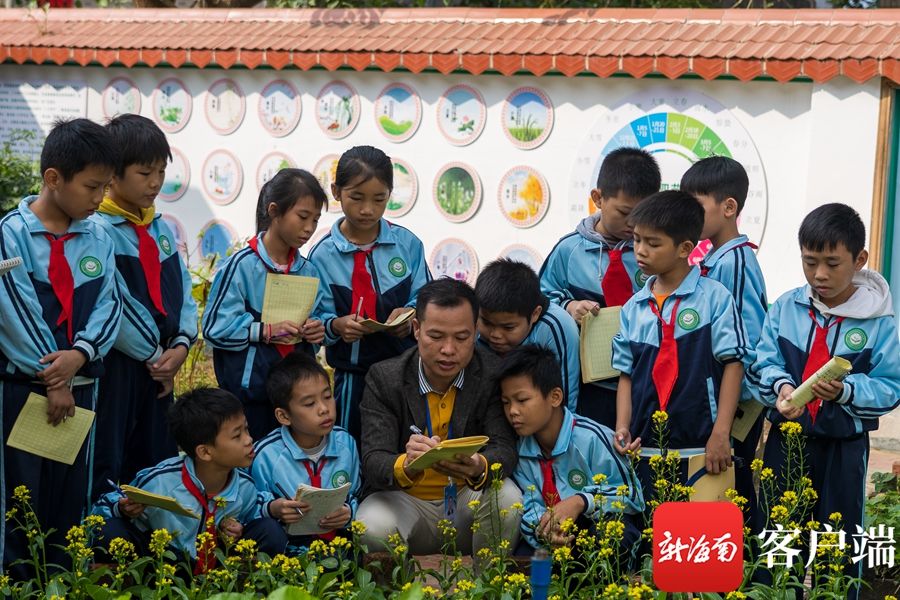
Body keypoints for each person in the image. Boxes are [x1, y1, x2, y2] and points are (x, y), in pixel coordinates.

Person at [752, 203, 900, 600]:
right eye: (809, 261)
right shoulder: (786, 307)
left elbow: (891, 386)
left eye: (833, 263)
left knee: (838, 546)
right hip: (787, 443)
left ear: (860, 260)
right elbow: (763, 361)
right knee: (778, 543)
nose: (819, 275)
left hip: (844, 447)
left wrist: (848, 392)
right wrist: (782, 387)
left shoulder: (878, 321)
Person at [0, 118, 121, 576]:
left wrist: (82, 355)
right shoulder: (10, 234)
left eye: (105, 186)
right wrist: (56, 377)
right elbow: (15, 313)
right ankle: (17, 582)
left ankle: (64, 580)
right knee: (21, 497)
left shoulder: (99, 235)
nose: (99, 198)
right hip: (24, 390)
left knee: (72, 496)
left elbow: (110, 305)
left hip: (83, 388)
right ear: (53, 179)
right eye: (92, 187)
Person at [356, 278, 521, 555]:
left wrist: (479, 465)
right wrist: (405, 464)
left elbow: (504, 448)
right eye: (436, 336)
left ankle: (487, 590)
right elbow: (374, 460)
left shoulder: (492, 373)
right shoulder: (384, 377)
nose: (448, 349)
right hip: (407, 501)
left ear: (475, 331)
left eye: (461, 337)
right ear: (417, 330)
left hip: (467, 496)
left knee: (507, 497)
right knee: (370, 525)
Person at [611, 191, 751, 505]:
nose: (641, 251)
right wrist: (622, 427)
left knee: (698, 544)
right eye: (636, 241)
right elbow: (625, 374)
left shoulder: (715, 298)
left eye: (653, 243)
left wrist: (720, 433)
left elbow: (734, 363)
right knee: (648, 541)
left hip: (701, 448)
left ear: (685, 248)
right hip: (644, 448)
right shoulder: (633, 307)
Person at [91, 114, 198, 500]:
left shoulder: (161, 228)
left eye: (160, 171)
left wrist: (182, 345)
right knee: (111, 454)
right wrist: (157, 356)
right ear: (112, 176)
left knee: (157, 456)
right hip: (121, 366)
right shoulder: (98, 230)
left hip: (162, 366)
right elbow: (114, 307)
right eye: (143, 172)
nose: (155, 182)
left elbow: (184, 291)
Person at [308, 146, 430, 442]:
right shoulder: (322, 256)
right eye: (356, 198)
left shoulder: (407, 244)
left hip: (407, 371)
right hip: (353, 376)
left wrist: (410, 313)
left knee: (406, 448)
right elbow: (314, 320)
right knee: (352, 446)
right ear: (336, 192)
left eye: (379, 199)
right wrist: (336, 326)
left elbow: (427, 298)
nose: (367, 210)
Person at [93, 388, 290, 570]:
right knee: (110, 530)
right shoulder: (160, 481)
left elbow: (254, 513)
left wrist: (239, 529)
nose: (248, 440)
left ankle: (240, 586)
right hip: (164, 563)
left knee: (270, 531)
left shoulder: (244, 485)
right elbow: (102, 509)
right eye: (237, 435)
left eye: (246, 429)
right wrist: (123, 508)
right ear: (205, 452)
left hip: (218, 561)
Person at [539, 148, 661, 427]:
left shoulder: (656, 254)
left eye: (642, 213)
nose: (633, 224)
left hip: (643, 384)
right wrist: (568, 306)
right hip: (587, 386)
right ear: (597, 199)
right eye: (624, 212)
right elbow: (540, 298)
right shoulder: (569, 251)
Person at [203, 169, 326, 440]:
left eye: (316, 220)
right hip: (251, 396)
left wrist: (317, 331)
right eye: (303, 217)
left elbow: (319, 321)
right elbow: (214, 328)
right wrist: (265, 331)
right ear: (274, 211)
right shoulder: (241, 266)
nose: (309, 228)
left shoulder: (309, 270)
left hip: (298, 399)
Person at [680, 156, 767, 531]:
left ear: (729, 208)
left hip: (732, 414)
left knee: (732, 500)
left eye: (696, 207)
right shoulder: (717, 261)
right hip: (721, 410)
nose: (688, 216)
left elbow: (740, 348)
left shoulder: (736, 262)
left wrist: (724, 423)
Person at [499, 345, 643, 564]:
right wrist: (545, 530)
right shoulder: (520, 450)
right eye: (506, 402)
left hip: (596, 526)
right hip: (555, 536)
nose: (513, 411)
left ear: (555, 397)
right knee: (520, 563)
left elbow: (633, 496)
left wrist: (581, 501)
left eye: (522, 400)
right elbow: (528, 507)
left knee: (613, 536)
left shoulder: (592, 438)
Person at [252, 353, 360, 553]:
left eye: (327, 397)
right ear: (284, 416)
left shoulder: (346, 444)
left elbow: (358, 493)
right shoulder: (266, 455)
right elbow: (250, 506)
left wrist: (348, 512)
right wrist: (274, 508)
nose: (323, 409)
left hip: (340, 545)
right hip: (289, 552)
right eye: (309, 404)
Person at [475, 258, 580, 412]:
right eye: (487, 323)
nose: (495, 335)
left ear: (535, 314)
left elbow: (565, 402)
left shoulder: (556, 327)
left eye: (508, 327)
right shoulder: (473, 317)